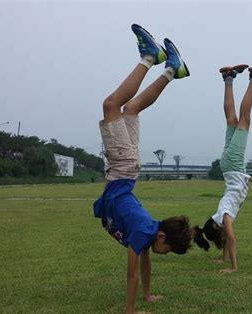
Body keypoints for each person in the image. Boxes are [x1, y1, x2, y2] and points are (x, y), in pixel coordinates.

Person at [93, 24, 191, 314]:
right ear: (161, 238)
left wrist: (147, 297)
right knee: (111, 105)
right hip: (123, 167)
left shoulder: (147, 232)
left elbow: (143, 267)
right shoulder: (141, 231)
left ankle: (173, 70)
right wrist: (129, 310)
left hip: (128, 168)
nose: (163, 255)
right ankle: (150, 58)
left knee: (130, 110)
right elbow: (132, 274)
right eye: (168, 251)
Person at [193, 64, 252, 274]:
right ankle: (228, 78)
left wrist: (233, 268)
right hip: (229, 167)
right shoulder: (220, 215)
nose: (224, 236)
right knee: (232, 119)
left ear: (216, 227)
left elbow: (230, 238)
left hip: (234, 165)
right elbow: (224, 237)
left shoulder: (225, 215)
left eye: (219, 235)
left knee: (244, 120)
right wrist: (222, 259)